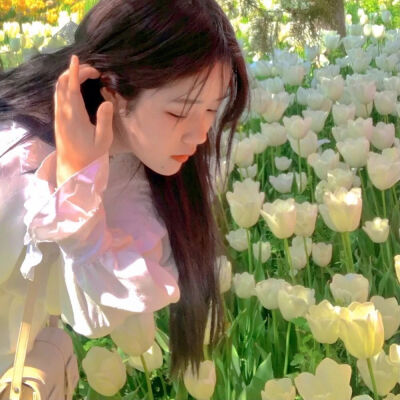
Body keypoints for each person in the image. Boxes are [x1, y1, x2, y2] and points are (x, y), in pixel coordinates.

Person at [0, 0, 250, 382]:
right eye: (178, 112)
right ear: (109, 88)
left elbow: (100, 313)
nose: (199, 135)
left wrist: (79, 193)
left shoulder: (136, 170)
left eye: (211, 111)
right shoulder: (19, 160)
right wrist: (74, 187)